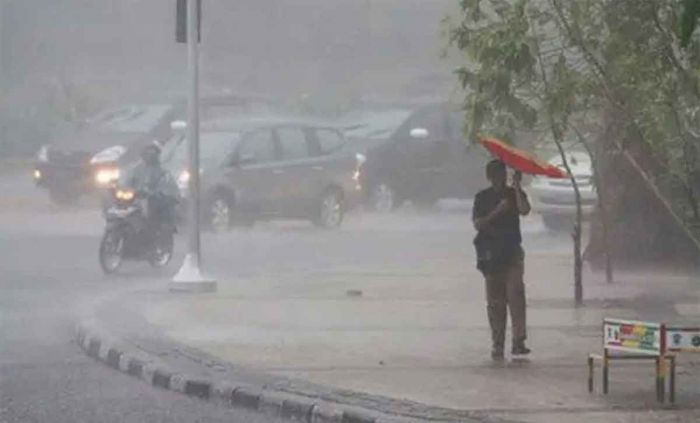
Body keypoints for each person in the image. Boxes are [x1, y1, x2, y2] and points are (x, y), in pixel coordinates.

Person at [472, 159, 531, 360]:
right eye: (497, 174)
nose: (500, 178)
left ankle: (518, 340)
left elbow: (524, 210)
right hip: (491, 256)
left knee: (516, 296)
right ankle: (497, 343)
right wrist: (498, 211)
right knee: (495, 303)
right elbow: (478, 224)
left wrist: (516, 187)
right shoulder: (482, 198)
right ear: (490, 176)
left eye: (503, 174)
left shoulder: (513, 195)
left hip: (512, 253)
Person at [124, 142, 179, 231]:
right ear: (143, 155)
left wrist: (161, 194)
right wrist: (128, 191)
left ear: (157, 156)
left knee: (165, 215)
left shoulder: (163, 172)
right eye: (147, 154)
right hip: (136, 201)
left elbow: (170, 188)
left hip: (155, 203)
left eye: (153, 154)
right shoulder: (135, 170)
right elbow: (126, 184)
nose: (150, 157)